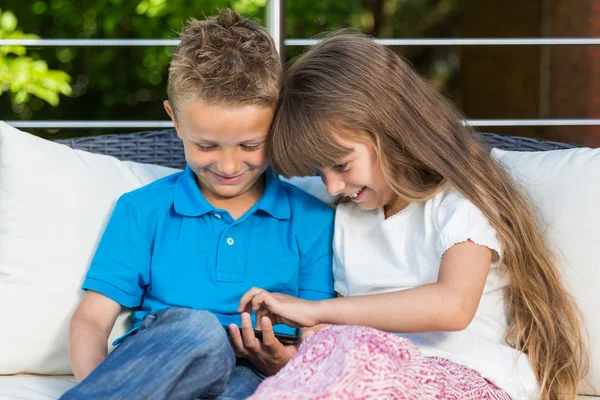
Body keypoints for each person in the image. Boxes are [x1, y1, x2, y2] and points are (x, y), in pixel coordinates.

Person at [238, 32, 588, 400]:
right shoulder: (344, 215)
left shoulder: (459, 201)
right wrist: (301, 353)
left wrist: (316, 312)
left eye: (341, 164)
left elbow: (452, 306)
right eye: (320, 171)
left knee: (352, 350)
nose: (333, 185)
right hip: (374, 374)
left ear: (390, 129)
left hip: (470, 375)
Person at [60, 10, 335, 400]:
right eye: (206, 145)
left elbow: (318, 331)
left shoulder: (312, 219)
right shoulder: (142, 210)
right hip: (165, 365)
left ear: (278, 123)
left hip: (256, 375)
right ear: (175, 120)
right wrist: (100, 386)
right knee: (201, 331)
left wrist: (287, 364)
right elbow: (91, 319)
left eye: (250, 145)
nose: (227, 165)